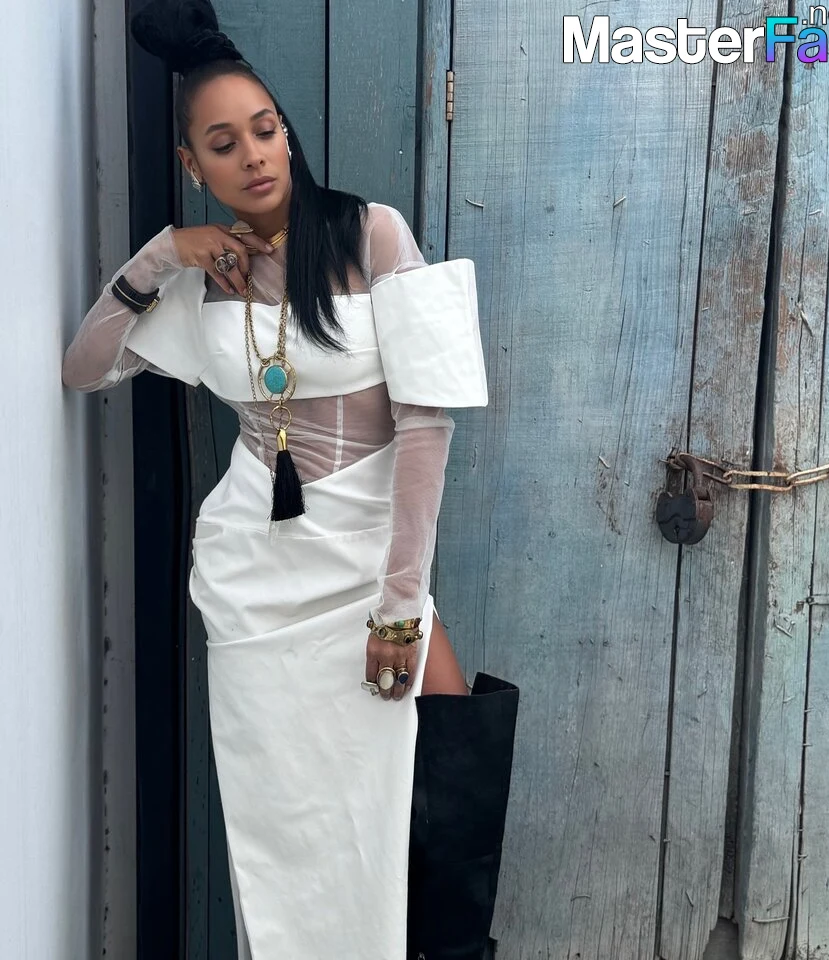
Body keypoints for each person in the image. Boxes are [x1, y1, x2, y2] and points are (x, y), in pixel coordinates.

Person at [62, 1, 519, 957]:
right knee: (290, 829)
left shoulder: (372, 233)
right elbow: (86, 367)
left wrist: (403, 607)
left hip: (369, 569)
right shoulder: (202, 274)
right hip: (253, 581)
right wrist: (163, 253)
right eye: (224, 144)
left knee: (443, 784)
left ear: (286, 130)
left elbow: (426, 422)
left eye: (264, 129)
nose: (255, 156)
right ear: (194, 165)